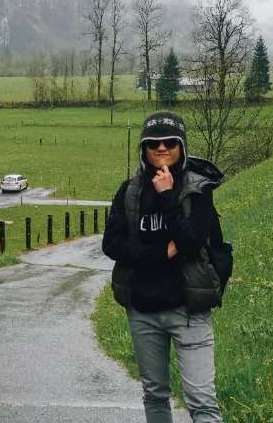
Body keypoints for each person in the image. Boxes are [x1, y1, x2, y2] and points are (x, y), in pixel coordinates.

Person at [102, 111, 224, 423]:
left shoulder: (198, 190)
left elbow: (193, 241)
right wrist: (160, 253)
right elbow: (111, 245)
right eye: (153, 142)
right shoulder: (128, 191)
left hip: (189, 311)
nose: (161, 147)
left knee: (202, 401)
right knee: (155, 394)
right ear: (143, 148)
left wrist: (169, 197)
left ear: (181, 147)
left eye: (170, 142)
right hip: (143, 311)